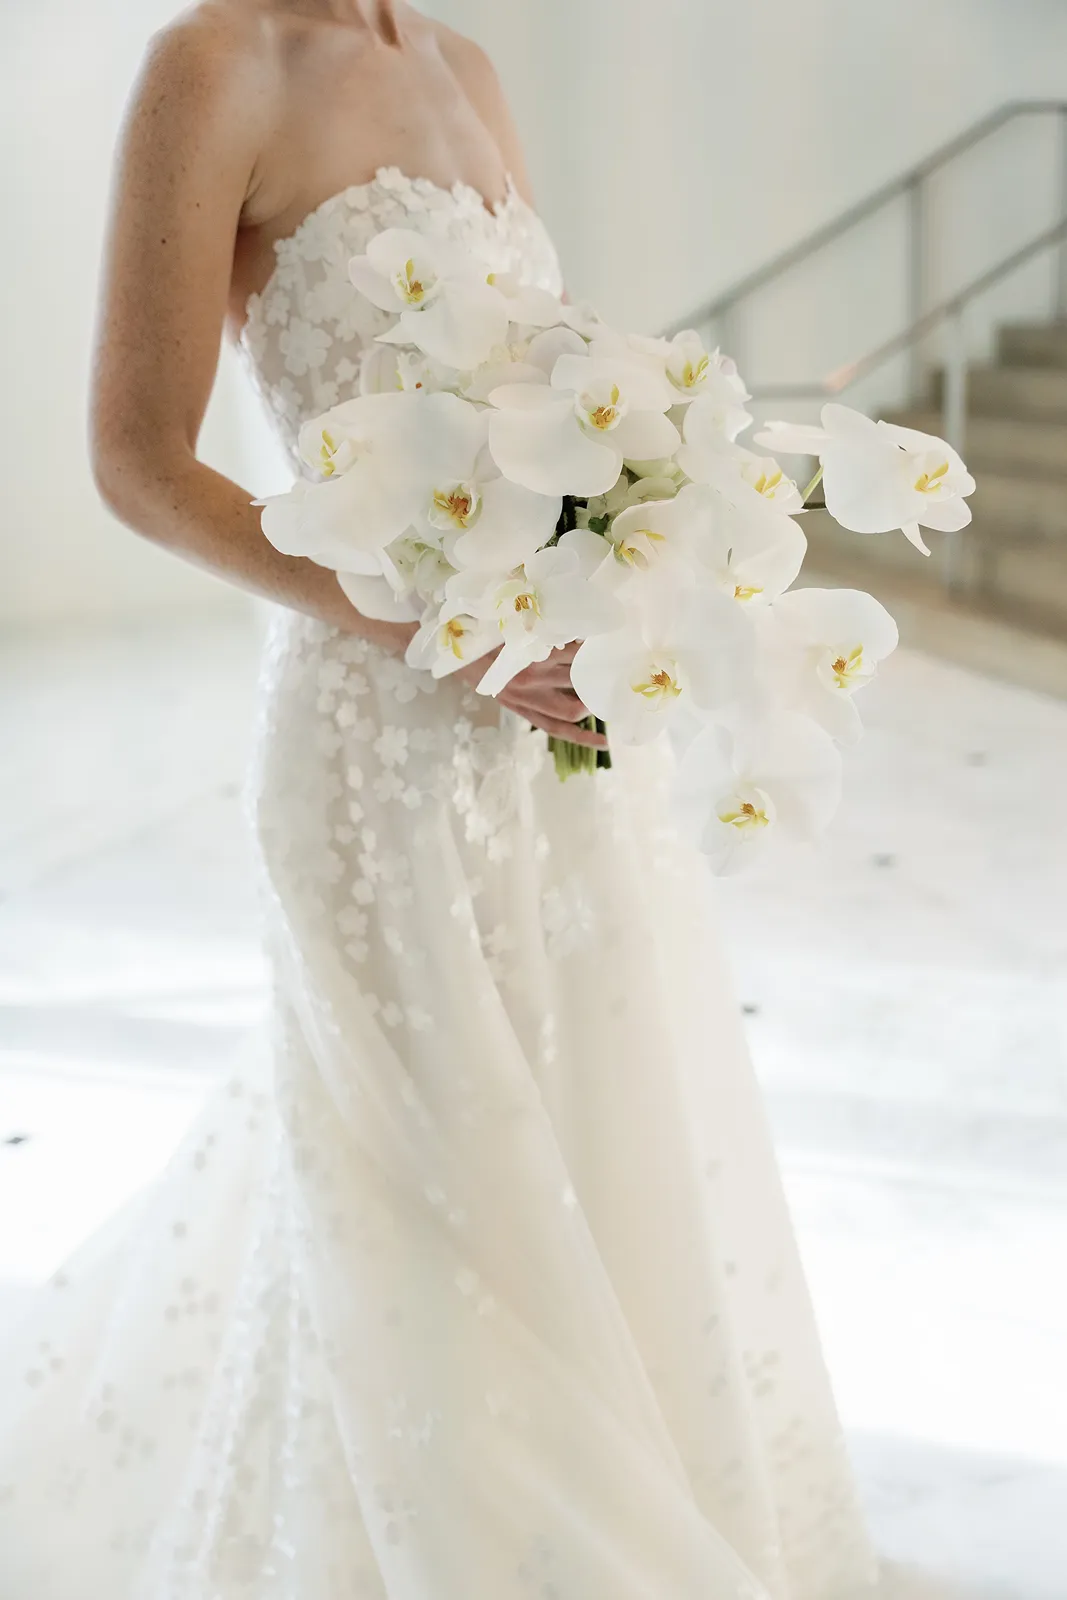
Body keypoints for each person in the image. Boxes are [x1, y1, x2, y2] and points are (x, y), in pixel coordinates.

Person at [0, 3, 883, 1595]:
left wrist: (638, 567)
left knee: (588, 1140)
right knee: (427, 1191)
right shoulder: (216, 62)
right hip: (377, 739)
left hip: (552, 732)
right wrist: (441, 630)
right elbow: (136, 461)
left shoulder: (461, 65)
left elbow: (541, 386)